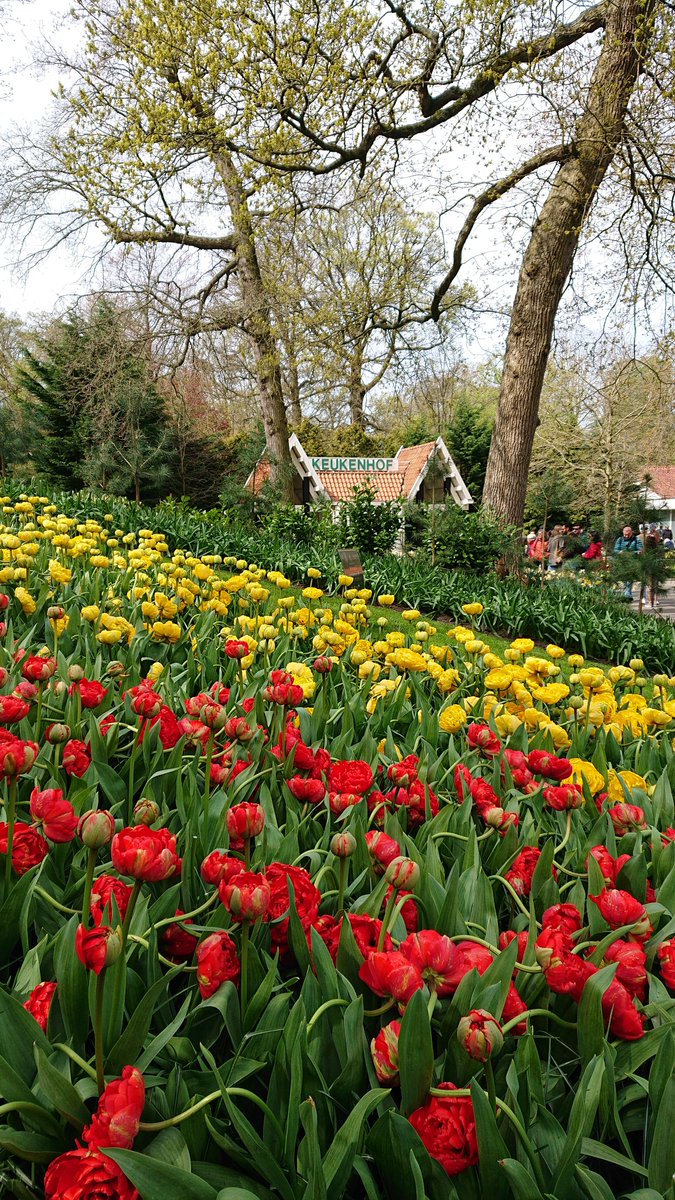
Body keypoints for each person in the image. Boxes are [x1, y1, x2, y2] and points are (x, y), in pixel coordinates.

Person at [613, 525, 642, 599]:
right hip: (622, 561)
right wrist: (619, 552)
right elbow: (615, 550)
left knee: (629, 577)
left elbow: (640, 550)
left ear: (631, 533)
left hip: (632, 561)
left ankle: (628, 594)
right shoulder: (620, 539)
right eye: (625, 534)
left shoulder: (636, 539)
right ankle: (627, 592)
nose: (626, 536)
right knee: (624, 577)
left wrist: (632, 553)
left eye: (628, 534)